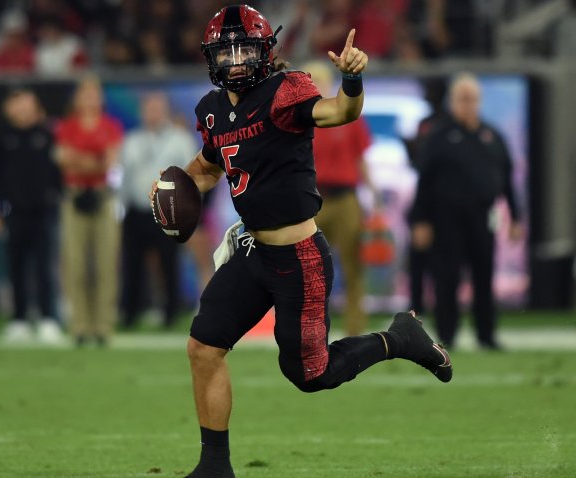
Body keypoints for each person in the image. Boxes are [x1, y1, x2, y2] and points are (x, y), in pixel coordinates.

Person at [149, 6, 452, 478]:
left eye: (244, 48)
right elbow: (209, 166)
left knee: (311, 375)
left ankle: (398, 339)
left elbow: (340, 111)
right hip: (252, 251)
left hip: (299, 255)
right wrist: (174, 187)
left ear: (266, 51)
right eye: (225, 51)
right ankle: (214, 467)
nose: (234, 60)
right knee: (204, 346)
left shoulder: (285, 90)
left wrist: (351, 81)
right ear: (210, 56)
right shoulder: (211, 109)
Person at [410, 73, 524, 350]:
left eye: (472, 98)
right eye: (462, 98)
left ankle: (486, 334)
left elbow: (507, 177)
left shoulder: (491, 136)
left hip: (482, 216)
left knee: (484, 276)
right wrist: (421, 220)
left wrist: (516, 216)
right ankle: (447, 335)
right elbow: (425, 180)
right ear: (452, 101)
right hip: (446, 218)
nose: (467, 104)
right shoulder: (438, 135)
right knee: (447, 278)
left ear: (479, 100)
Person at [303, 60, 376, 337]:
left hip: (346, 198)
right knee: (310, 269)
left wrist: (373, 193)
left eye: (320, 80)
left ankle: (355, 331)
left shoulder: (348, 114)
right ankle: (311, 329)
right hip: (313, 198)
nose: (317, 86)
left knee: (353, 266)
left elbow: (360, 159)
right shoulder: (301, 119)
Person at [0, 89, 64, 344]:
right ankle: (18, 319)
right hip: (13, 213)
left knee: (44, 267)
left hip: (44, 212)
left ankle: (48, 319)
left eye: (26, 104)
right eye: (16, 104)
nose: (21, 109)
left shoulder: (48, 135)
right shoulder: (2, 138)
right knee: (16, 267)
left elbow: (60, 174)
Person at [54, 74, 123, 347]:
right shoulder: (67, 127)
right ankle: (80, 325)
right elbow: (63, 161)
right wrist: (93, 160)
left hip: (102, 197)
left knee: (106, 263)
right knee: (76, 264)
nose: (90, 99)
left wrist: (82, 161)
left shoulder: (111, 126)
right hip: (74, 198)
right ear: (77, 98)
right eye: (85, 93)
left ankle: (103, 326)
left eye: (95, 93)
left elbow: (109, 164)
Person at [119, 92, 195, 328]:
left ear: (166, 111)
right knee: (132, 264)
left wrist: (188, 210)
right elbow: (121, 178)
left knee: (169, 263)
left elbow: (193, 174)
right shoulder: (130, 140)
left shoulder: (181, 139)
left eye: (157, 108)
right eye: (149, 108)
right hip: (136, 210)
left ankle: (171, 312)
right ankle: (130, 313)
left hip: (169, 211)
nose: (153, 113)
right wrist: (119, 209)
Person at [404, 77, 448, 315]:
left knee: (438, 267)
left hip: (440, 206)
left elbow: (424, 164)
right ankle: (416, 313)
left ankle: (435, 315)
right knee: (419, 265)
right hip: (424, 201)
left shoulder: (438, 125)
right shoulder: (426, 123)